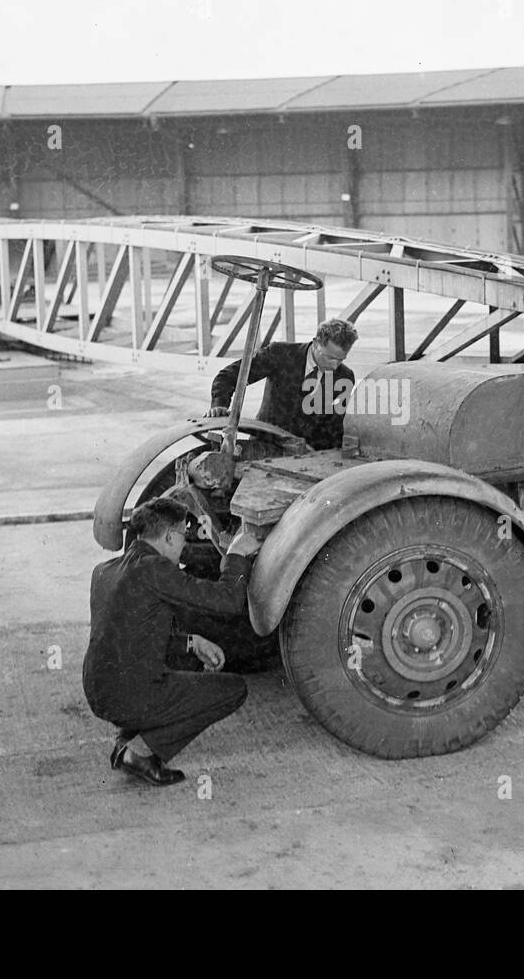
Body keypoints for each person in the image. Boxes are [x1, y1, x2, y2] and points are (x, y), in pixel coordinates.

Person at [83, 498, 262, 787]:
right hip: (126, 696)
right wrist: (236, 555)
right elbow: (227, 600)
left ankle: (126, 737)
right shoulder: (154, 568)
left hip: (98, 691)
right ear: (168, 536)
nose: (184, 543)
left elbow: (129, 635)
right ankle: (141, 753)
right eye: (183, 534)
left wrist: (191, 643)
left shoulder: (105, 570)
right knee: (232, 690)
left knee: (185, 659)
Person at [207, 318, 359, 450]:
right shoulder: (280, 354)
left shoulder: (344, 376)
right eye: (330, 358)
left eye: (341, 360)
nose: (334, 366)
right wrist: (219, 404)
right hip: (265, 445)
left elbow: (335, 426)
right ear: (316, 343)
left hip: (307, 454)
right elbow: (229, 376)